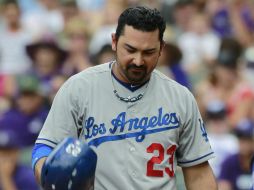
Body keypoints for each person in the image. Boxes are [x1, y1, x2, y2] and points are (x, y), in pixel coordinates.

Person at [32, 6, 217, 190]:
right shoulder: (78, 88)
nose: (138, 60)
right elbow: (44, 148)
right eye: (130, 49)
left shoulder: (180, 97)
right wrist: (49, 175)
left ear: (161, 49)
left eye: (148, 52)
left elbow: (199, 174)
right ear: (114, 41)